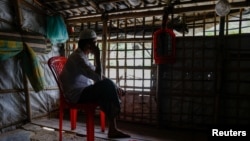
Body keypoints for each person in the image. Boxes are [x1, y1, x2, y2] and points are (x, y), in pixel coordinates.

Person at [60, 29, 130, 138]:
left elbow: (99, 77)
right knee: (106, 86)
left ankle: (112, 129)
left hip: (84, 90)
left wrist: (115, 85)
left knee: (107, 86)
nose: (96, 46)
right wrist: (97, 56)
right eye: (95, 43)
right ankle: (113, 127)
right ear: (89, 45)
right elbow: (98, 78)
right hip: (76, 95)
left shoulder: (82, 56)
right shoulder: (77, 58)